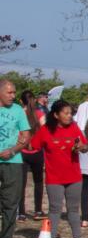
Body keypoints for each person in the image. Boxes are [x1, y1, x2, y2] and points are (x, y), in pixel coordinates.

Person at [30, 100, 88, 238]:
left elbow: (85, 146)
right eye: (66, 113)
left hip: (74, 177)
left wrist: (81, 147)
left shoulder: (74, 127)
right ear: (56, 115)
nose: (70, 116)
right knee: (55, 208)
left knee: (74, 209)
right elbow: (33, 145)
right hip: (54, 178)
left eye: (71, 113)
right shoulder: (45, 130)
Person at [0, 79, 31, 238]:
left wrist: (12, 150)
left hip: (13, 161)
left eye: (14, 92)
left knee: (10, 201)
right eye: (9, 92)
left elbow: (25, 137)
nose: (13, 96)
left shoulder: (18, 110)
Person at [18, 90, 46, 221]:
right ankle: (38, 211)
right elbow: (45, 131)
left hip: (21, 152)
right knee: (38, 182)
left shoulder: (19, 113)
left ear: (21, 101)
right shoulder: (39, 114)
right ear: (34, 100)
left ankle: (21, 213)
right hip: (37, 152)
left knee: (21, 184)